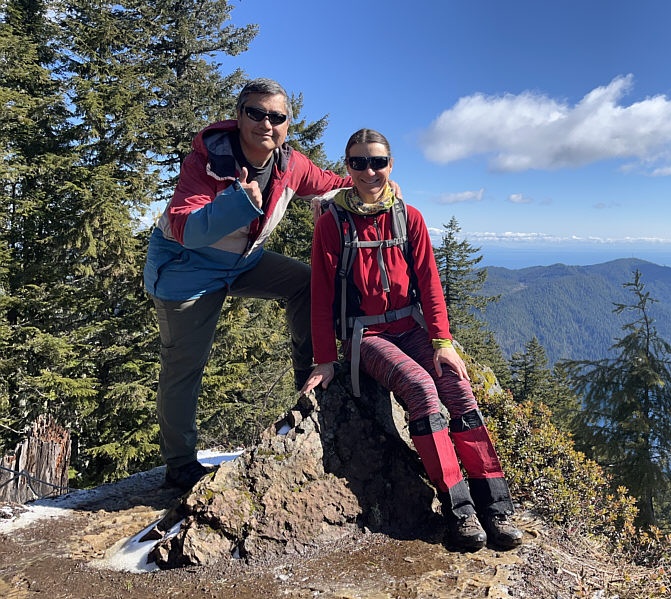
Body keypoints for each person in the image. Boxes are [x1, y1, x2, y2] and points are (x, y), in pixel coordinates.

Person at [302, 128, 523, 551]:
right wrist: (326, 358)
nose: (369, 171)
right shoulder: (332, 224)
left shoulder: (409, 217)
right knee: (422, 389)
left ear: (390, 164)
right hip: (365, 334)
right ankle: (460, 511)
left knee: (458, 388)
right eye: (359, 163)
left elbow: (430, 283)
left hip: (411, 326)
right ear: (347, 167)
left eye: (377, 162)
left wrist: (442, 342)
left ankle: (496, 506)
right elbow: (321, 294)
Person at [144, 78, 356, 491]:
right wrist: (237, 203)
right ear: (239, 115)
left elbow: (332, 184)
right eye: (256, 113)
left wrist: (373, 183)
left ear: (287, 125)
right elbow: (188, 229)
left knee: (304, 282)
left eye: (277, 117)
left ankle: (309, 385)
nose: (266, 123)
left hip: (243, 263)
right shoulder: (206, 161)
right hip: (186, 271)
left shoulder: (290, 165)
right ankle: (180, 464)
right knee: (184, 367)